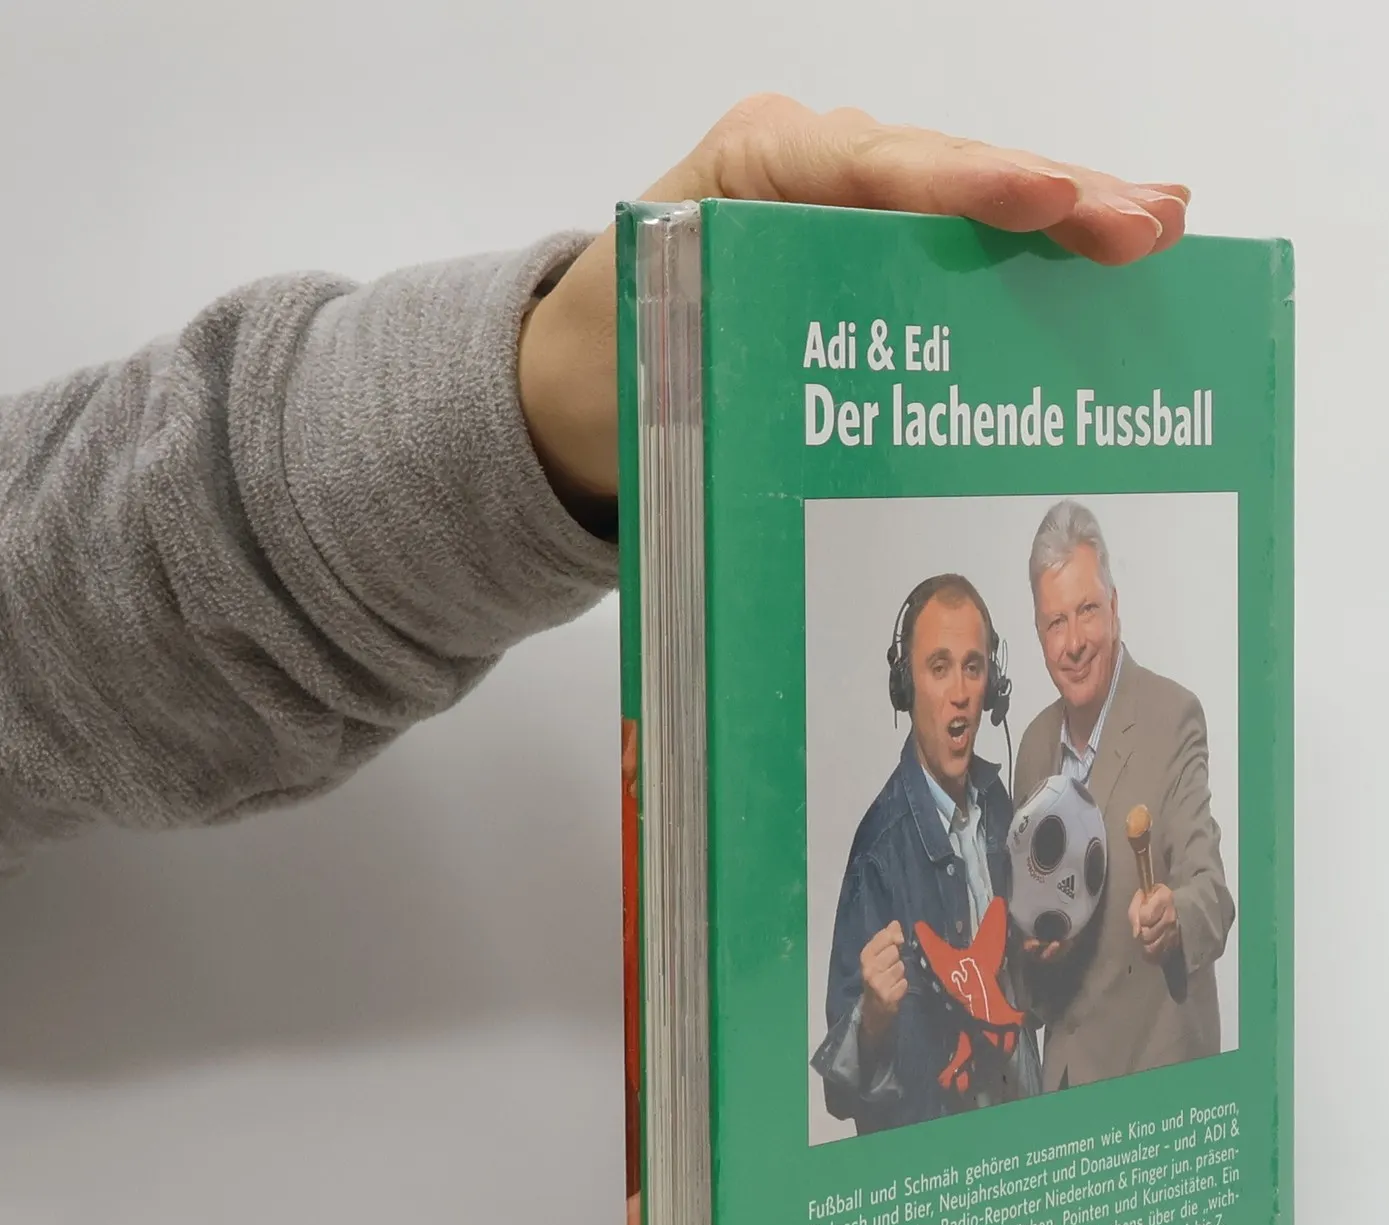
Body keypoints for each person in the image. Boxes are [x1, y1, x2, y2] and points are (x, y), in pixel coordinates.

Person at [0, 95, 1189, 877]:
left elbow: (43, 627)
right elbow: (63, 641)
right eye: (946, 661)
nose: (974, 684)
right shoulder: (878, 829)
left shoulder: (1069, 763)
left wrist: (533, 402)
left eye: (980, 661)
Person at [1012, 499, 1235, 1089]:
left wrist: (1174, 918)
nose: (1074, 642)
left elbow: (1213, 894)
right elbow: (1030, 975)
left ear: (1114, 608)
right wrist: (1033, 949)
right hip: (1063, 1093)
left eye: (1087, 610)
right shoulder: (1033, 747)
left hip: (1153, 1089)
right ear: (1038, 634)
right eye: (1055, 622)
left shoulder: (1172, 716)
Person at [813, 574, 1041, 1134]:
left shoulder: (999, 805)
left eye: (973, 666)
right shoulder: (878, 852)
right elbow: (838, 1094)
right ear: (906, 688)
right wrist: (872, 1017)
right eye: (939, 668)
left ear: (992, 686)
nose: (960, 691)